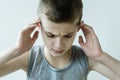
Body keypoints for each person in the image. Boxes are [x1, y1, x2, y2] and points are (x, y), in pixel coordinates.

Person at [0, 0, 120, 80]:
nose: (58, 45)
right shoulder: (30, 58)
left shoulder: (86, 59)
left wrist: (100, 56)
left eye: (68, 36)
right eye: (50, 35)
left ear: (79, 28)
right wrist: (16, 50)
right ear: (39, 26)